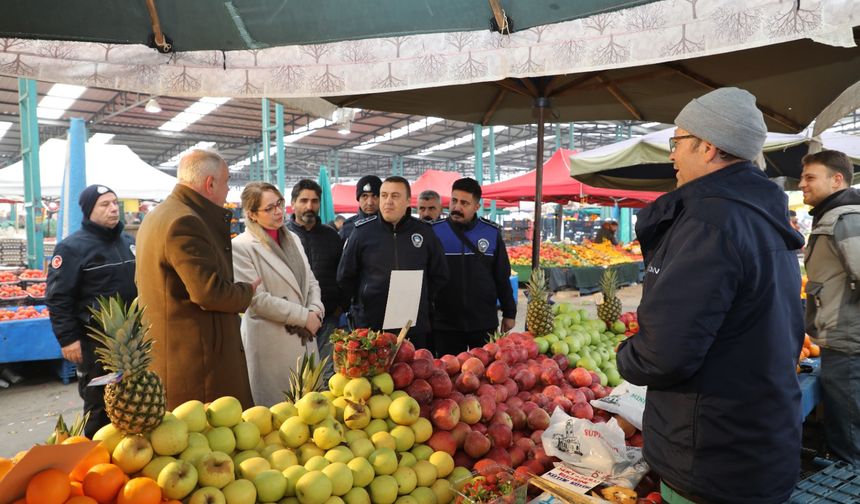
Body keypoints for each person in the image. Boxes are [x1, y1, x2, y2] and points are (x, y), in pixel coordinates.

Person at [615, 88, 805, 503]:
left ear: (708, 146)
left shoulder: (709, 222)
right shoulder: (762, 216)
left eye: (677, 142)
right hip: (757, 444)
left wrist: (625, 354)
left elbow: (664, 353)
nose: (672, 155)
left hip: (710, 455)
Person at [135, 149, 261, 410]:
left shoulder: (159, 215)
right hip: (197, 363)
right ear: (210, 183)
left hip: (175, 353)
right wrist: (245, 291)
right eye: (226, 182)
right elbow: (208, 292)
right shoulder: (186, 222)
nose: (228, 191)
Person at [46, 184, 137, 437]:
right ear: (89, 211)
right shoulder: (71, 248)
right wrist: (68, 339)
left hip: (131, 341)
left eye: (114, 203)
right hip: (95, 342)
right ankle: (95, 459)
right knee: (99, 405)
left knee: (133, 401)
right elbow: (58, 297)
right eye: (104, 205)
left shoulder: (128, 242)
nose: (112, 209)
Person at [233, 182, 324, 406]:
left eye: (279, 204)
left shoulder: (293, 239)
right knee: (278, 417)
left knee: (311, 411)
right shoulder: (241, 246)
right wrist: (304, 317)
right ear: (252, 214)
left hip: (306, 337)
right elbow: (256, 299)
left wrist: (315, 310)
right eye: (269, 208)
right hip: (271, 343)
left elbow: (310, 280)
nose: (278, 211)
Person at [337, 176, 448, 350]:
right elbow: (345, 276)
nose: (388, 201)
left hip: (413, 327)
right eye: (384, 195)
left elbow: (439, 274)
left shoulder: (425, 233)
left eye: (395, 196)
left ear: (407, 201)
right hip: (371, 327)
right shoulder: (361, 233)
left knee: (413, 374)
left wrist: (419, 299)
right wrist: (363, 304)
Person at [799, 149, 860, 464]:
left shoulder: (847, 218)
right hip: (841, 341)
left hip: (849, 345)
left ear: (837, 180)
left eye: (810, 177)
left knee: (849, 438)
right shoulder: (834, 216)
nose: (802, 184)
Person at [431, 178, 516, 355]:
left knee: (486, 375)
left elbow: (501, 276)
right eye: (454, 201)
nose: (456, 207)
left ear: (476, 206)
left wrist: (509, 312)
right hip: (445, 324)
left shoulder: (491, 233)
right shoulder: (435, 232)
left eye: (464, 203)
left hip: (483, 322)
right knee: (447, 378)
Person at [286, 179, 345, 380]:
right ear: (293, 203)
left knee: (329, 374)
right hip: (293, 319)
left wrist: (339, 307)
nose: (309, 206)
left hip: (327, 318)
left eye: (314, 201)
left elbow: (342, 274)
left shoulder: (331, 236)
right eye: (303, 200)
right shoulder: (283, 236)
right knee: (297, 374)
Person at [339, 175, 381, 241]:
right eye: (364, 196)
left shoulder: (390, 225)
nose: (370, 203)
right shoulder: (348, 227)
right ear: (358, 199)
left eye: (375, 196)